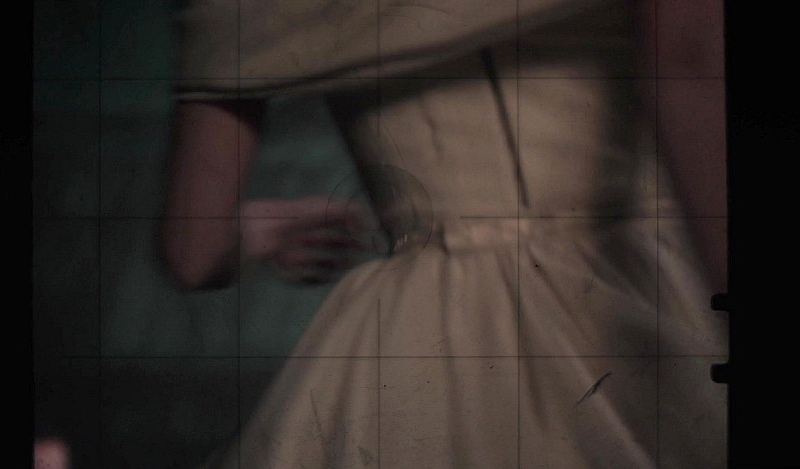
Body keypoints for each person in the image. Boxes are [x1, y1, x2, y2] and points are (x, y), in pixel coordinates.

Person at [162, 0, 728, 467]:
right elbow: (687, 59)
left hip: (429, 340)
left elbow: (192, 252)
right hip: (645, 284)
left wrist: (252, 231)